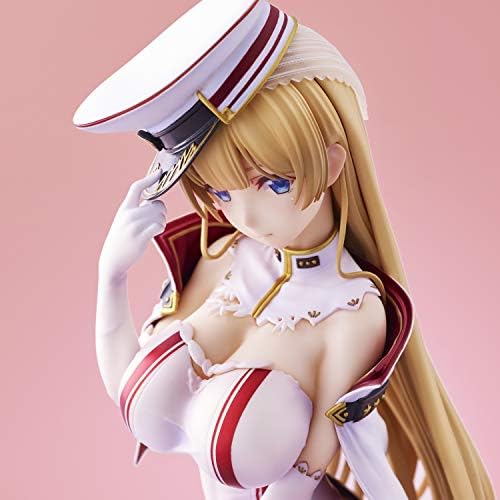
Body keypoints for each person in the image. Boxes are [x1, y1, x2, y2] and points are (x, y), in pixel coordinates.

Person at [74, 1, 494, 499]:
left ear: (331, 163)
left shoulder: (353, 313)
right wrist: (112, 277)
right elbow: (128, 382)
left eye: (272, 183)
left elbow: (305, 472)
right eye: (220, 193)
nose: (247, 217)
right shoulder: (220, 257)